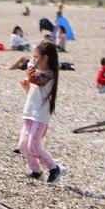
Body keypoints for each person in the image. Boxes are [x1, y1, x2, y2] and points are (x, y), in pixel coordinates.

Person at [18, 40, 63, 183]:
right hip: (30, 112)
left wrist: (30, 65)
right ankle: (36, 171)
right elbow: (35, 89)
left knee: (34, 144)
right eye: (33, 57)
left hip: (40, 116)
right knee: (23, 146)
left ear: (45, 58)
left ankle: (54, 168)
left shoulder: (49, 73)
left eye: (36, 57)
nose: (34, 60)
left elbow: (34, 78)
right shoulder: (39, 74)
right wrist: (27, 87)